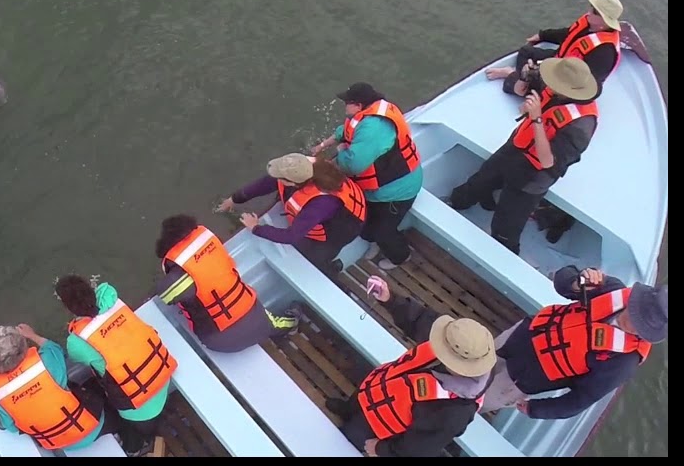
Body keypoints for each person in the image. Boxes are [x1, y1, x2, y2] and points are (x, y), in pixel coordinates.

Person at [325, 277, 496, 457]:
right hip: (375, 390)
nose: (437, 342)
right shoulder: (451, 335)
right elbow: (418, 319)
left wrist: (381, 449)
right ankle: (348, 409)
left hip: (378, 427)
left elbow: (418, 448)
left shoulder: (456, 412)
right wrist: (390, 299)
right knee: (357, 402)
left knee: (343, 441)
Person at [448, 57, 599, 254]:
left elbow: (547, 161)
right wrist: (525, 78)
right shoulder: (553, 88)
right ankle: (457, 202)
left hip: (533, 176)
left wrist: (536, 118)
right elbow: (520, 94)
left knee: (506, 227)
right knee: (480, 180)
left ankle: (500, 256)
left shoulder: (581, 126)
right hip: (514, 149)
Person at [481, 266, 667, 419]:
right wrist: (577, 282)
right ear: (636, 301)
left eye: (642, 328)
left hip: (523, 379)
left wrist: (537, 409)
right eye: (636, 316)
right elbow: (562, 279)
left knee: (477, 400)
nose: (632, 325)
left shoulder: (623, 363)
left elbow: (581, 399)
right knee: (480, 359)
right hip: (520, 336)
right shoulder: (611, 289)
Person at [55, 274, 177, 457]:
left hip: (138, 410)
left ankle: (136, 446)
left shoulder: (76, 342)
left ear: (67, 307)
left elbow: (80, 357)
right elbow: (104, 289)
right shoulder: (110, 295)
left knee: (129, 423)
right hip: (161, 376)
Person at [312, 82, 424, 270]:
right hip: (376, 189)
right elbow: (344, 132)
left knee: (383, 232)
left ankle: (400, 256)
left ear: (358, 105)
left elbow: (353, 164)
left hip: (398, 190)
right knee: (364, 221)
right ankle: (373, 241)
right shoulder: (363, 116)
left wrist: (333, 160)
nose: (344, 105)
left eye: (347, 102)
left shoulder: (375, 128)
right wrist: (323, 146)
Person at [154, 214, 301, 352]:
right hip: (259, 323)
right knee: (267, 319)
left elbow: (166, 296)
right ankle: (292, 323)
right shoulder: (211, 245)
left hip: (221, 343)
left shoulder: (180, 275)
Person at [219, 153, 367, 275]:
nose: (275, 178)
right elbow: (263, 185)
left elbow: (291, 236)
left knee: (312, 260)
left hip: (342, 228)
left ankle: (332, 268)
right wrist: (234, 199)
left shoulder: (320, 204)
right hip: (321, 208)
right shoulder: (299, 168)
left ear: (292, 182)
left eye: (279, 177)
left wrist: (256, 228)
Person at [0, 324, 107, 452]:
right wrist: (32, 335)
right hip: (93, 426)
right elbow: (54, 348)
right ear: (23, 346)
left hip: (61, 445)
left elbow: (11, 427)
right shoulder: (46, 362)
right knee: (99, 383)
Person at [485, 0, 623, 97]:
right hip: (559, 60)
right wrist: (542, 35)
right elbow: (568, 34)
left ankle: (514, 77)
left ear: (603, 20)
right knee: (525, 52)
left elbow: (591, 84)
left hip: (567, 78)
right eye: (591, 7)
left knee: (509, 86)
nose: (588, 12)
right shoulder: (589, 23)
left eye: (593, 11)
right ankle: (522, 79)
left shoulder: (605, 52)